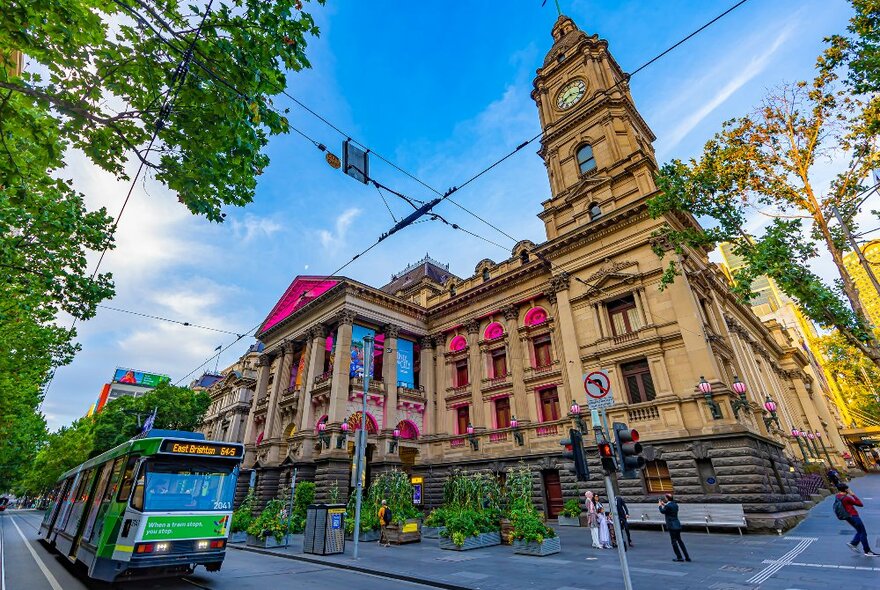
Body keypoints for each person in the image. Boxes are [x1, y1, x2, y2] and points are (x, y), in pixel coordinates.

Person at [835, 483, 878, 556]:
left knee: (860, 531)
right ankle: (867, 551)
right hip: (853, 516)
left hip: (847, 517)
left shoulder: (838, 496)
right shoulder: (846, 498)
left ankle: (854, 543)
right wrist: (852, 494)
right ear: (846, 490)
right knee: (863, 533)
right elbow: (860, 504)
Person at [659, 493, 691, 562]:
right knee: (680, 541)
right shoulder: (675, 504)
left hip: (671, 526)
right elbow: (670, 508)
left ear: (667, 498)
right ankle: (687, 557)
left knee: (674, 542)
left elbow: (662, 511)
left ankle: (679, 557)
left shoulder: (668, 506)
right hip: (677, 524)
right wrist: (664, 505)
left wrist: (660, 506)